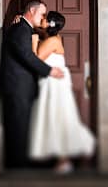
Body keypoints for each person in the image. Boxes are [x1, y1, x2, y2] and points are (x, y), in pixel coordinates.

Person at [0, 0, 64, 169]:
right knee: (17, 129)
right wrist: (49, 71)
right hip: (17, 88)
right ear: (32, 11)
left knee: (22, 128)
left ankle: (21, 166)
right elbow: (27, 56)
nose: (43, 18)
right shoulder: (20, 29)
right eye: (42, 14)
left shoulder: (24, 29)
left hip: (21, 88)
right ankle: (17, 170)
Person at [28, 11, 96, 174]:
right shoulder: (52, 39)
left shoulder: (51, 41)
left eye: (45, 19)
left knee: (57, 117)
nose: (42, 20)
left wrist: (34, 39)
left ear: (51, 24)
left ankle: (67, 157)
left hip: (55, 86)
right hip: (53, 83)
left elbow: (36, 58)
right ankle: (64, 159)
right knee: (57, 118)